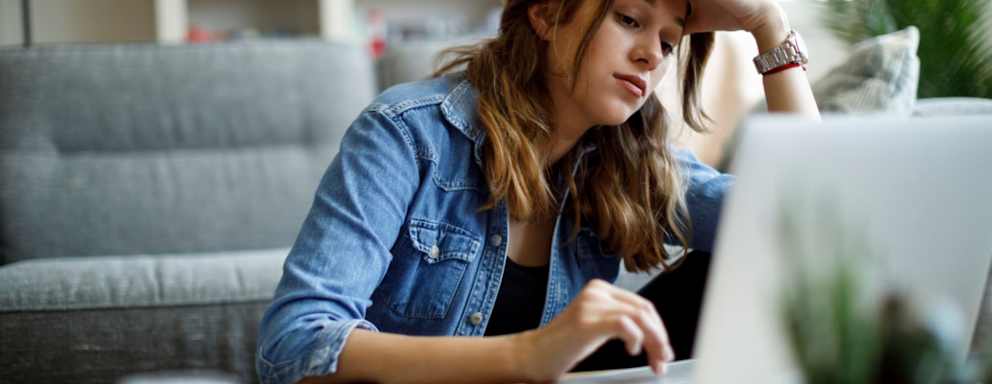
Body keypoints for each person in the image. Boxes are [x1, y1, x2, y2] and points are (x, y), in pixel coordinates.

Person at [256, 0, 820, 382]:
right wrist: (528, 356)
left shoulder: (628, 162)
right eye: (629, 18)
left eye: (669, 43)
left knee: (756, 259)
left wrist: (766, 23)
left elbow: (807, 224)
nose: (652, 54)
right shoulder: (409, 133)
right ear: (548, 14)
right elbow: (294, 341)